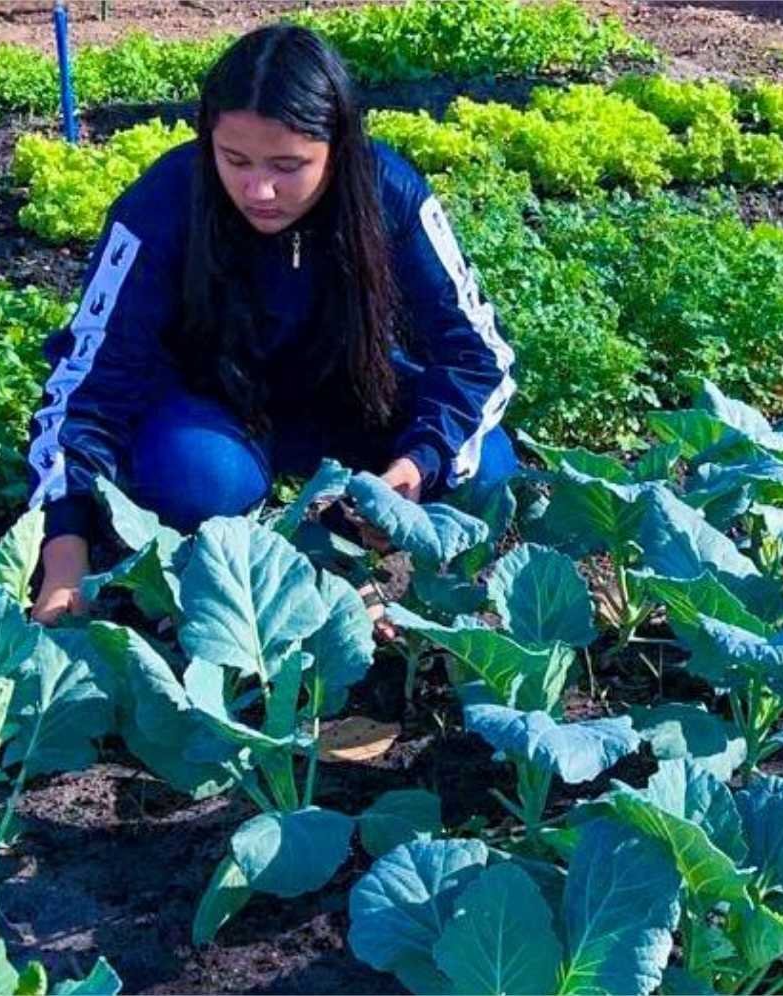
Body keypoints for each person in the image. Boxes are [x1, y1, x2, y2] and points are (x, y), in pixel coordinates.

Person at [27, 23, 517, 625]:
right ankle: (280, 545)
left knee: (486, 466)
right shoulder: (163, 202)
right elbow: (88, 384)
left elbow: (475, 356)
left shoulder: (390, 193)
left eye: (289, 165)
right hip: (216, 408)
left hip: (353, 400)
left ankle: (366, 557)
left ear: (337, 147)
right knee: (195, 480)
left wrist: (413, 467)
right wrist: (64, 559)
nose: (259, 189)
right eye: (234, 159)